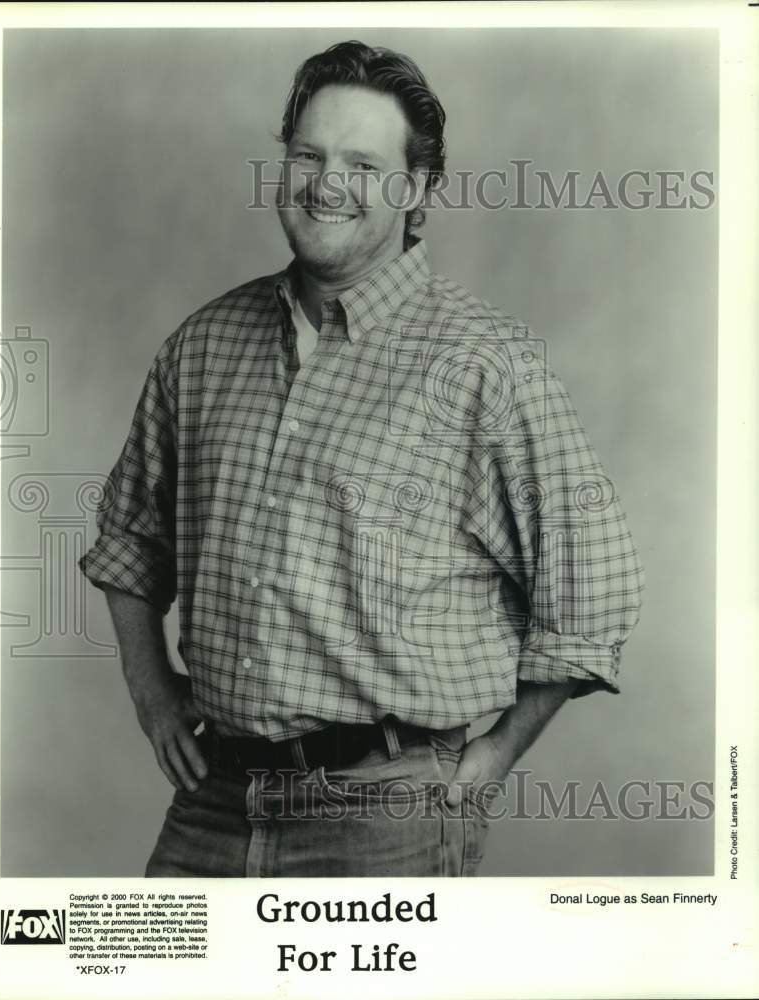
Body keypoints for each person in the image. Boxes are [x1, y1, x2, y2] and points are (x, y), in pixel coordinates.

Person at [79, 40, 645, 877]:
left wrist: (492, 758)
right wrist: (151, 692)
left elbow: (593, 587)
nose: (326, 183)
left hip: (388, 816)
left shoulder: (485, 367)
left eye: (363, 163)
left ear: (415, 189)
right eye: (307, 155)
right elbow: (128, 540)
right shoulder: (204, 346)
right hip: (215, 804)